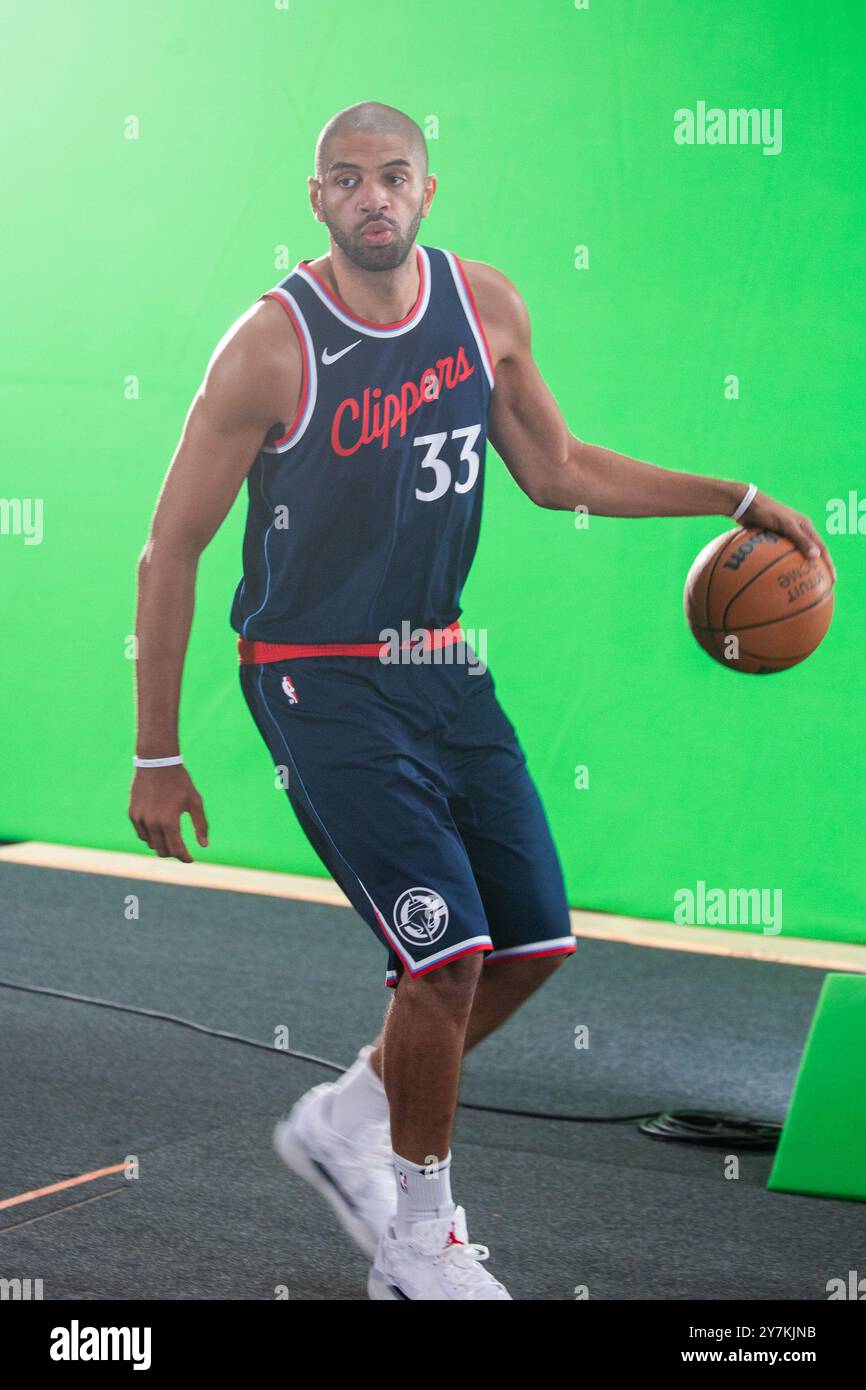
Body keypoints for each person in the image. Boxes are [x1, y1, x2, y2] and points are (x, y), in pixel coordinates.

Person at [128, 101, 835, 1301]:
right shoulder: (270, 345)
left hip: (439, 662)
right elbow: (171, 548)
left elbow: (557, 470)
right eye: (346, 180)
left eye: (392, 175)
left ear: (426, 189)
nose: (371, 197)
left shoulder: (484, 306)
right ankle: (418, 1244)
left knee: (533, 942)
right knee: (445, 955)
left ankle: (344, 1118)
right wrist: (157, 750)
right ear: (317, 201)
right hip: (312, 673)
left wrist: (732, 494)